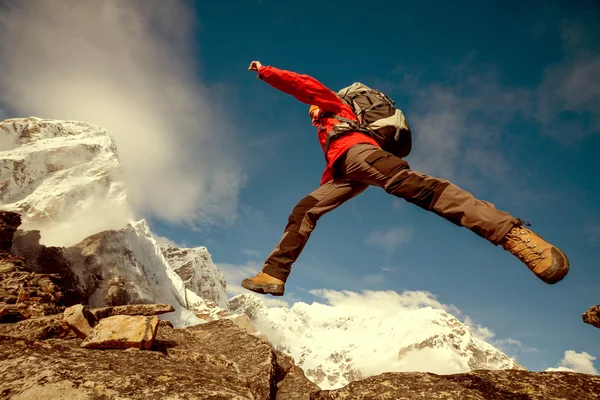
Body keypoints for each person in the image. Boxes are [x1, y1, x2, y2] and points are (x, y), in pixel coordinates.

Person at [241, 61, 569, 296]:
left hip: (363, 156)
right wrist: (329, 180)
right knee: (305, 210)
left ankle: (512, 234)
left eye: (312, 108)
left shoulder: (335, 105)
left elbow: (303, 84)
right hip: (344, 171)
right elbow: (338, 159)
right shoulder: (328, 132)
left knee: (421, 189)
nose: (310, 111)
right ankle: (273, 274)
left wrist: (266, 72)